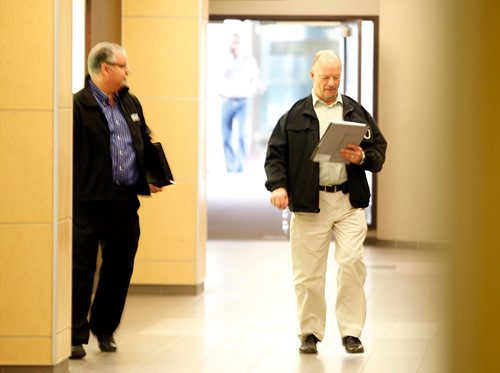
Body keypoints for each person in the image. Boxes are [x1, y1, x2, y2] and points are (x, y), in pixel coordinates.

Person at [264, 50, 387, 354]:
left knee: (351, 264)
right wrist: (278, 186)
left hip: (348, 200)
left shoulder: (356, 112)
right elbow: (275, 155)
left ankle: (351, 332)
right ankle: (309, 332)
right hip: (309, 201)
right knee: (308, 273)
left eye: (336, 77)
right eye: (325, 77)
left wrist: (362, 157)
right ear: (312, 76)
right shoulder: (295, 115)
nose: (332, 83)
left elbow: (379, 149)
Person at [71, 42, 162, 359]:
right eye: (123, 66)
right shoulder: (77, 107)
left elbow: (144, 140)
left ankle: (104, 328)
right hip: (87, 201)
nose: (128, 71)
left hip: (124, 202)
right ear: (105, 68)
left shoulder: (130, 103)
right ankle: (74, 334)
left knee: (119, 267)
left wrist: (150, 176)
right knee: (81, 268)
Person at [219, 33, 260, 173]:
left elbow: (255, 79)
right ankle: (230, 167)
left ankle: (240, 166)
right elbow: (219, 75)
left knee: (243, 134)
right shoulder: (225, 59)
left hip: (243, 101)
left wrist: (250, 92)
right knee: (226, 135)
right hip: (227, 100)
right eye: (233, 42)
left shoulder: (249, 59)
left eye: (237, 42)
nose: (235, 45)